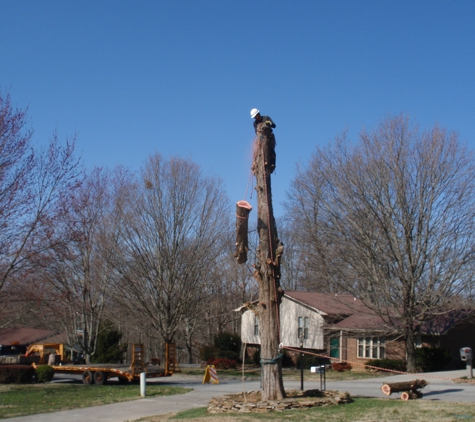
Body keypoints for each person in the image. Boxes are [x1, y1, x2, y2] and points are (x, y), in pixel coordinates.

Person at [250, 108, 276, 174]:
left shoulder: (266, 118)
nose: (255, 118)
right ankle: (259, 164)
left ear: (258, 114)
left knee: (271, 151)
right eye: (254, 117)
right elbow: (256, 132)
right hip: (260, 139)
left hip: (269, 138)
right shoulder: (255, 123)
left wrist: (268, 123)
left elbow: (274, 125)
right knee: (257, 153)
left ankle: (272, 164)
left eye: (256, 116)